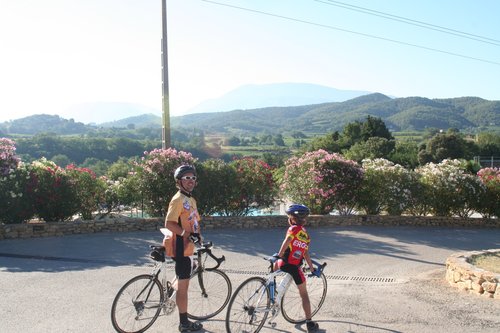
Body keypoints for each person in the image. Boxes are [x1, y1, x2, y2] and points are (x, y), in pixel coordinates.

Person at [163, 165, 203, 332]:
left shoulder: (191, 200)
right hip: (180, 247)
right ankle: (184, 323)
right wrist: (188, 234)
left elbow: (194, 222)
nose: (191, 181)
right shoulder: (178, 199)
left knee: (187, 273)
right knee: (184, 288)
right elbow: (169, 223)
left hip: (188, 247)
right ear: (179, 181)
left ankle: (172, 288)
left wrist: (199, 237)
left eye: (193, 178)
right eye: (187, 178)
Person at [274, 203, 319, 333]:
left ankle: (271, 292)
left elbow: (287, 240)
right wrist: (311, 268)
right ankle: (309, 323)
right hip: (294, 267)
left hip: (283, 263)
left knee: (274, 266)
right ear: (304, 219)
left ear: (292, 219)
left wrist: (279, 255)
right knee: (304, 295)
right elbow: (305, 253)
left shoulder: (293, 228)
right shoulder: (306, 236)